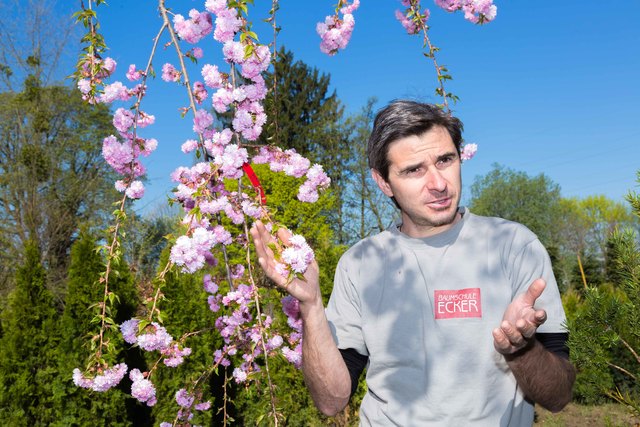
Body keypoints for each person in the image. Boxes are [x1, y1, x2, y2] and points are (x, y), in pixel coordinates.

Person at [250, 100, 576, 426]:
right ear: (384, 182)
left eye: (445, 160)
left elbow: (558, 397)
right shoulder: (360, 263)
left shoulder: (515, 247)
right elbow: (331, 401)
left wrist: (521, 349)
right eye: (414, 170)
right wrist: (311, 305)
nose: (438, 183)